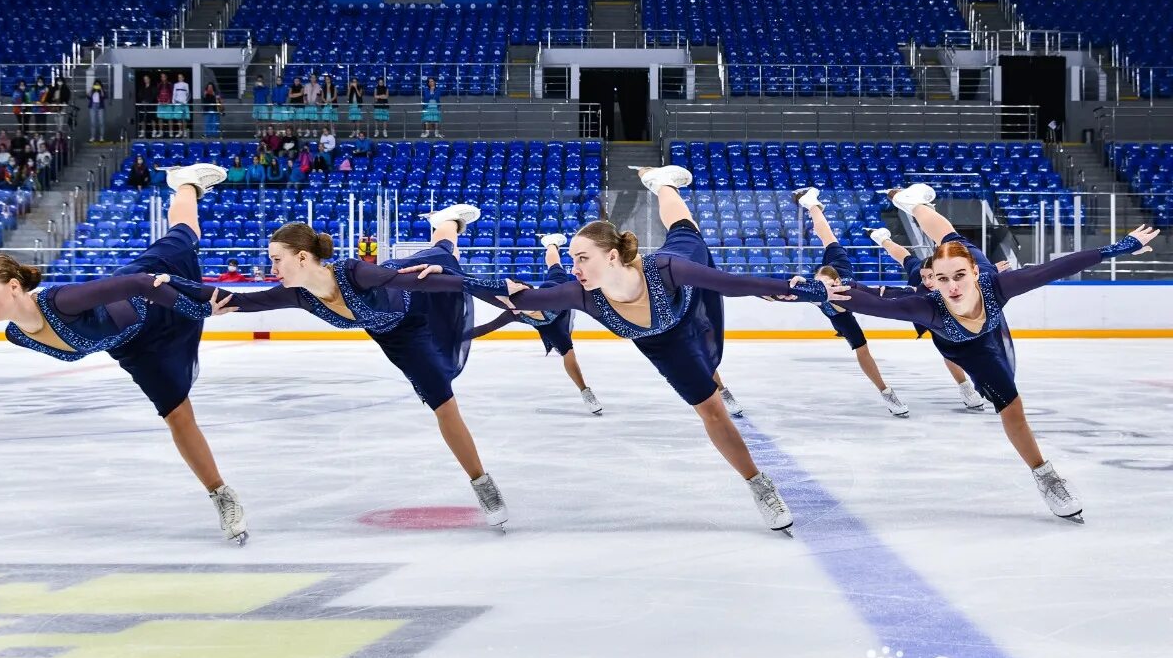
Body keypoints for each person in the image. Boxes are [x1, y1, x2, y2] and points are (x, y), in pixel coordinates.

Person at [425, 166, 835, 535]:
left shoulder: (669, 270)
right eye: (571, 259)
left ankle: (663, 183)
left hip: (684, 295)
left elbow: (736, 283)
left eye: (582, 257)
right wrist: (451, 274)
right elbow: (521, 295)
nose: (575, 267)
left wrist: (802, 289)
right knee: (710, 407)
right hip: (662, 342)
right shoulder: (582, 294)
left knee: (685, 231)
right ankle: (757, 483)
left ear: (613, 256)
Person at [157, 205, 513, 529]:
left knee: (441, 253)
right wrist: (173, 283)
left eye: (276, 259)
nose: (271, 268)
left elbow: (405, 280)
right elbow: (239, 301)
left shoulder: (353, 272)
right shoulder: (297, 294)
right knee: (441, 401)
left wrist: (497, 286)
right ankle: (444, 226)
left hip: (421, 294)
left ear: (300, 258)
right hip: (398, 336)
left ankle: (446, 223)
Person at [829, 183, 1161, 522]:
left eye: (960, 275)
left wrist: (1116, 248)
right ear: (932, 282)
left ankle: (911, 203)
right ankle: (912, 203)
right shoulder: (927, 307)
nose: (952, 287)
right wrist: (814, 291)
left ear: (975, 272)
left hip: (989, 335)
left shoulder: (996, 283)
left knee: (950, 238)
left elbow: (1053, 269)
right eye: (942, 279)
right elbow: (873, 304)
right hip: (966, 350)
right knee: (1010, 405)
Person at [0, 163, 248, 543]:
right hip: (135, 347)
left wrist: (199, 310)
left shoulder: (61, 301)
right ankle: (222, 495)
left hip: (156, 290)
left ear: (14, 286)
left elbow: (137, 283)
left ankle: (185, 183)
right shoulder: (17, 334)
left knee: (185, 234)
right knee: (178, 416)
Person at [792, 187, 909, 416]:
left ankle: (886, 393)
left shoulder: (851, 289)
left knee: (862, 348)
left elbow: (883, 294)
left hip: (844, 294)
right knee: (828, 237)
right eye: (819, 285)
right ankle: (811, 204)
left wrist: (912, 291)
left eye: (827, 285)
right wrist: (794, 283)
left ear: (836, 283)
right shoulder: (815, 291)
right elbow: (783, 294)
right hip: (837, 315)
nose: (823, 289)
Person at [466, 233, 604, 415]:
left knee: (555, 265)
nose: (520, 307)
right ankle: (585, 391)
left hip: (559, 294)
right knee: (568, 352)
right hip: (550, 326)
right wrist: (456, 336)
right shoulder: (514, 314)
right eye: (516, 305)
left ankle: (551, 243)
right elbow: (486, 328)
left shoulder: (550, 295)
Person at [868, 226, 990, 410]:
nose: (927, 281)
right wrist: (884, 241)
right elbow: (901, 255)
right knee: (949, 347)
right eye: (924, 277)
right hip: (931, 315)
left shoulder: (951, 280)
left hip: (952, 313)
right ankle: (965, 387)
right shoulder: (920, 279)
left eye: (931, 277)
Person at [135, 73, 157, 139]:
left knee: (152, 118)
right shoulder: (142, 87)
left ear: (149, 79)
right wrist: (142, 101)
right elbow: (139, 95)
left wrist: (148, 101)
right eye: (144, 79)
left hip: (150, 105)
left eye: (147, 79)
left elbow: (154, 95)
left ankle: (154, 131)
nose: (146, 80)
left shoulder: (153, 87)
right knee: (142, 119)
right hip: (143, 105)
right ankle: (142, 132)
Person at [171, 73, 191, 138]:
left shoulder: (186, 84)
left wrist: (185, 101)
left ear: (183, 78)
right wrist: (173, 101)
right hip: (177, 103)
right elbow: (174, 93)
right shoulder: (175, 85)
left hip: (184, 103)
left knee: (184, 118)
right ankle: (180, 132)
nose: (179, 78)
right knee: (178, 118)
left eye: (180, 77)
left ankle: (185, 132)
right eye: (178, 77)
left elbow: (188, 94)